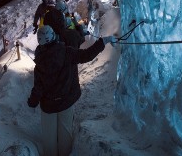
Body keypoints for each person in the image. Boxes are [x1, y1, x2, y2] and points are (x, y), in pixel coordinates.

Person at [28, 25, 116, 156]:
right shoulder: (66, 52)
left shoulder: (40, 61)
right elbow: (87, 55)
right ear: (53, 36)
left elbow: (39, 86)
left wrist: (33, 101)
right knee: (65, 133)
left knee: (49, 136)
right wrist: (103, 41)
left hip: (48, 106)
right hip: (66, 101)